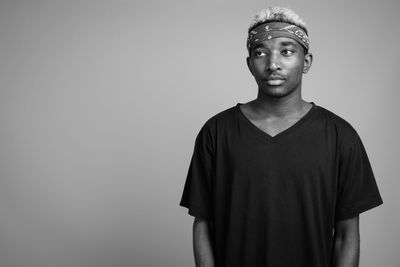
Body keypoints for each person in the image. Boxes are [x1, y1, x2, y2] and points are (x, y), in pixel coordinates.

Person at [179, 6, 383, 267]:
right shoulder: (217, 132)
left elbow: (346, 236)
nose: (273, 64)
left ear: (306, 62)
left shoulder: (341, 136)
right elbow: (203, 224)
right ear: (249, 64)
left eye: (287, 51)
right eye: (260, 52)